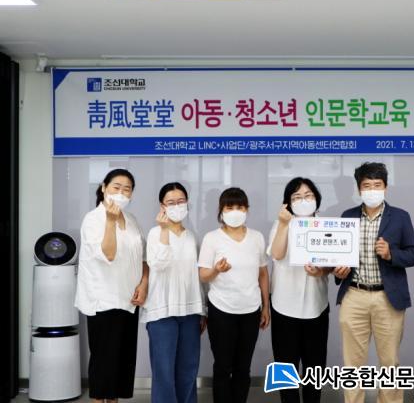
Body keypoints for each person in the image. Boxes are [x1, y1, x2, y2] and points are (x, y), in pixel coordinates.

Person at [333, 162, 414, 403]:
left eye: (377, 185)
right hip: (354, 294)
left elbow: (413, 254)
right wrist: (338, 272)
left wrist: (391, 254)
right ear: (359, 189)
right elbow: (339, 258)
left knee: (390, 362)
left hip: (388, 297)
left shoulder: (400, 217)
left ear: (386, 187)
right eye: (367, 185)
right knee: (352, 363)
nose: (372, 190)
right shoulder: (348, 216)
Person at [75, 168, 149, 403]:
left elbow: (142, 258)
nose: (121, 193)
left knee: (122, 362)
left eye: (127, 189)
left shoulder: (132, 220)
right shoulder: (93, 219)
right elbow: (108, 254)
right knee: (104, 362)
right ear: (103, 188)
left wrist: (144, 284)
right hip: (104, 300)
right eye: (116, 187)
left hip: (129, 300)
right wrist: (110, 222)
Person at [198, 187, 270, 403]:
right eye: (230, 207)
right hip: (221, 310)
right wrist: (216, 270)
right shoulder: (212, 238)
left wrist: (266, 306)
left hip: (250, 310)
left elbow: (263, 273)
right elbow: (203, 275)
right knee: (222, 366)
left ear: (247, 209)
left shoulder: (257, 237)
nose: (235, 211)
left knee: (243, 367)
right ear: (221, 210)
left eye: (240, 207)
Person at [268, 177, 331, 403]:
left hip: (316, 306)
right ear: (288, 203)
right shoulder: (280, 224)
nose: (303, 200)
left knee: (315, 368)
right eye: (296, 197)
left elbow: (332, 265)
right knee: (286, 370)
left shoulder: (325, 225)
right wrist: (284, 224)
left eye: (308, 195)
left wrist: (321, 271)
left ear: (316, 199)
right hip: (284, 307)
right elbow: (276, 254)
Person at [141, 182, 205, 403]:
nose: (177, 206)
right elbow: (159, 264)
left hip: (190, 310)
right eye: (171, 202)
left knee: (188, 369)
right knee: (164, 372)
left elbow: (197, 276)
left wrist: (202, 310)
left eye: (181, 201)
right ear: (162, 206)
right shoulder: (154, 233)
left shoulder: (192, 236)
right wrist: (164, 231)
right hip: (162, 311)